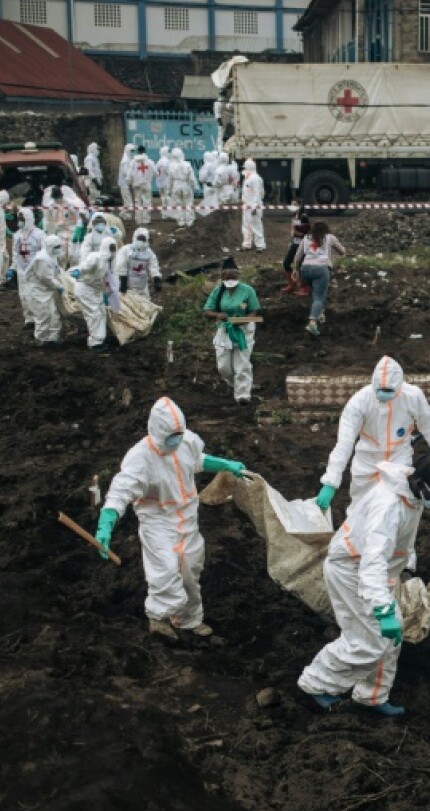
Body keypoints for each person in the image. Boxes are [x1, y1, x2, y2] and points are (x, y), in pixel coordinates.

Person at [298, 454, 430, 717]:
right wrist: (383, 609)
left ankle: (372, 696)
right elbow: (372, 561)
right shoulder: (387, 506)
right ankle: (316, 684)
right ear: (420, 483)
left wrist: (407, 568)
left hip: (380, 572)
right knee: (368, 640)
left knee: (390, 637)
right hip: (353, 570)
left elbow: (403, 540)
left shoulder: (412, 496)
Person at [96, 397, 250, 642]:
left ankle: (188, 620)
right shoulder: (141, 458)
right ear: (158, 432)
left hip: (188, 518)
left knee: (190, 572)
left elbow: (197, 461)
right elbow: (120, 491)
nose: (177, 440)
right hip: (158, 522)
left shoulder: (185, 442)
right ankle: (158, 619)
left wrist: (225, 464)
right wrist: (106, 523)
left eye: (179, 434)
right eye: (172, 436)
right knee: (166, 571)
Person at [315, 356, 430, 534]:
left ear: (399, 385)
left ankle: (401, 559)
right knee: (359, 513)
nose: (385, 394)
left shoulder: (413, 397)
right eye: (381, 389)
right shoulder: (359, 402)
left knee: (400, 512)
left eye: (390, 390)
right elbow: (344, 443)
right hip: (367, 464)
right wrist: (331, 482)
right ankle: (357, 555)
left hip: (398, 462)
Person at [203, 265, 261, 405]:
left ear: (238, 277)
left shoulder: (247, 291)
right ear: (223, 278)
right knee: (223, 366)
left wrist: (243, 320)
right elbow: (207, 311)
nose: (230, 280)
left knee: (242, 364)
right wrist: (218, 315)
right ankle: (234, 383)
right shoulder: (219, 291)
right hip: (225, 330)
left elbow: (254, 311)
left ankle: (243, 395)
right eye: (227, 278)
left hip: (243, 330)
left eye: (233, 277)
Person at [290, 221, 344, 336]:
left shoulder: (306, 238)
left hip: (306, 269)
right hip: (321, 269)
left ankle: (320, 313)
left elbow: (298, 256)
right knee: (319, 296)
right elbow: (342, 251)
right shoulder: (329, 238)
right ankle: (312, 322)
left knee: (316, 292)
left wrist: (295, 269)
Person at [20, 234, 66, 347]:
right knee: (43, 315)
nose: (58, 249)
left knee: (53, 314)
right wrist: (59, 286)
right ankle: (41, 338)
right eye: (56, 247)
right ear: (50, 247)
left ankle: (53, 337)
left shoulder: (51, 256)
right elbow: (46, 278)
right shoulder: (42, 259)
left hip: (46, 290)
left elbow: (56, 270)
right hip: (37, 291)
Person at [73, 235, 117, 351]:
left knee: (101, 312)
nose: (112, 251)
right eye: (111, 248)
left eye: (114, 248)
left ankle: (100, 339)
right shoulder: (95, 257)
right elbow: (85, 266)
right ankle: (95, 342)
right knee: (94, 314)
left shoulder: (109, 262)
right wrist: (79, 270)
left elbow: (107, 279)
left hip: (95, 290)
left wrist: (107, 293)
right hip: (85, 288)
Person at [13, 208, 45, 330]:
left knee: (34, 294)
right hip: (22, 269)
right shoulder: (17, 235)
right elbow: (15, 253)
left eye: (22, 220)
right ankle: (29, 319)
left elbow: (44, 252)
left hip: (34, 269)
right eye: (19, 219)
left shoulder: (39, 235)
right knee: (23, 295)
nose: (20, 222)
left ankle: (38, 318)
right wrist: (13, 268)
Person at [115, 227, 162, 300]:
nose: (141, 242)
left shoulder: (149, 253)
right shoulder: (125, 250)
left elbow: (154, 266)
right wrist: (122, 282)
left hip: (142, 288)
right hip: (128, 289)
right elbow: (121, 266)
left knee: (145, 308)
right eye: (139, 239)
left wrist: (156, 278)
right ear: (135, 238)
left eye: (143, 239)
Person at [281, 209, 312, 295]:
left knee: (301, 265)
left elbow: (305, 233)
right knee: (286, 263)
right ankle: (291, 284)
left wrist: (296, 233)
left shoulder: (304, 217)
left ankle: (304, 287)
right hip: (295, 243)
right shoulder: (294, 218)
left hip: (302, 244)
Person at [240, 158, 266, 251]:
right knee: (246, 226)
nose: (244, 170)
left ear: (249, 168)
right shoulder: (248, 178)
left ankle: (260, 245)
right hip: (247, 205)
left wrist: (255, 206)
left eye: (245, 168)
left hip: (254, 206)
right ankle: (247, 244)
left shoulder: (255, 178)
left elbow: (258, 193)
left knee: (256, 225)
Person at [168, 148, 196, 228]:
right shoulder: (187, 164)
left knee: (178, 204)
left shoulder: (171, 165)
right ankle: (189, 221)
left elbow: (170, 179)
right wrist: (194, 186)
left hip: (176, 185)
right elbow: (192, 177)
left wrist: (169, 190)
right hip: (186, 184)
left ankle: (181, 221)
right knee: (188, 203)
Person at [128, 147, 157, 225]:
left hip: (136, 184)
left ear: (138, 151)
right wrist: (150, 177)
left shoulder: (133, 162)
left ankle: (138, 220)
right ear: (145, 151)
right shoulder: (150, 162)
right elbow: (155, 173)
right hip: (146, 184)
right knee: (147, 202)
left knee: (138, 202)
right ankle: (146, 220)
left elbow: (129, 174)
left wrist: (130, 182)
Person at [118, 144, 137, 221]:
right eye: (131, 151)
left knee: (127, 201)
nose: (133, 152)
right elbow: (125, 172)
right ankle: (122, 214)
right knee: (128, 201)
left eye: (133, 151)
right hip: (124, 183)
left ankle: (124, 214)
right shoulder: (125, 161)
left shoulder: (129, 159)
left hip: (126, 183)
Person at [198, 152, 219, 217]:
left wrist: (202, 180)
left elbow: (202, 177)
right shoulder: (216, 165)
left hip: (208, 186)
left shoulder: (206, 165)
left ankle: (208, 217)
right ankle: (215, 216)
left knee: (207, 203)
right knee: (214, 202)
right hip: (215, 186)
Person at [155, 145, 172, 219]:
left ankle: (164, 214)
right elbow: (168, 171)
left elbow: (156, 172)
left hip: (160, 182)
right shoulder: (166, 161)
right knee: (167, 198)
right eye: (168, 151)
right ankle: (168, 213)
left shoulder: (159, 161)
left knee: (163, 198)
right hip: (166, 182)